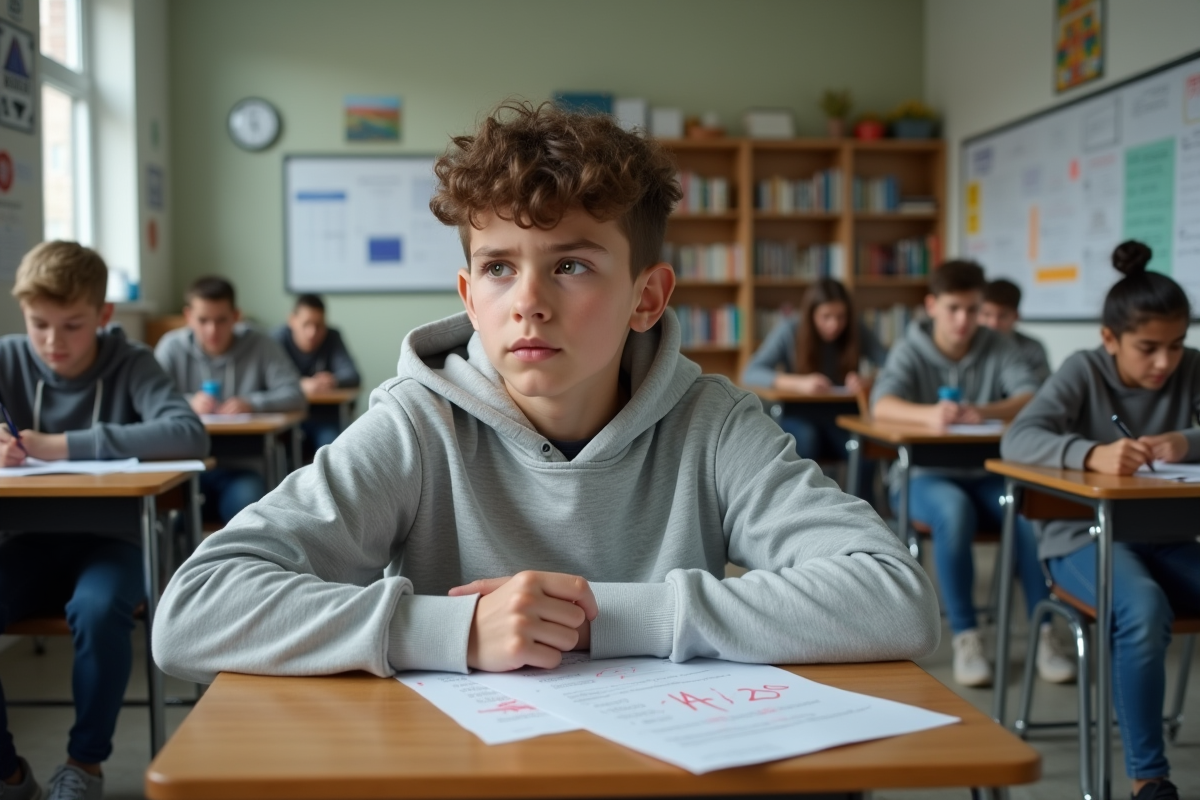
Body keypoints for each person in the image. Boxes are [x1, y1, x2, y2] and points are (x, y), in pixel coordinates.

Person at [152, 101, 939, 686]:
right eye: (499, 266)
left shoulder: (713, 425)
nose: (527, 300)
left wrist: (603, 616)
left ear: (648, 296)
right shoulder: (416, 425)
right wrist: (454, 629)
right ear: (468, 294)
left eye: (571, 264)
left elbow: (896, 597)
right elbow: (195, 609)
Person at [0, 241, 208, 800]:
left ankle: (82, 766)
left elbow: (188, 433)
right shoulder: (8, 357)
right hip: (26, 541)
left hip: (113, 541)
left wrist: (59, 445)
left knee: (98, 609)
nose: (52, 342)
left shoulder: (131, 362)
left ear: (103, 315)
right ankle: (8, 774)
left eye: (72, 325)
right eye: (39, 324)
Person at [1001, 241, 1200, 800]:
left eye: (1177, 346)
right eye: (1148, 348)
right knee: (1141, 609)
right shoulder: (1082, 370)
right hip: (1080, 540)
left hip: (1167, 537)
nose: (1165, 362)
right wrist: (1091, 453)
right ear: (1109, 339)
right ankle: (1149, 780)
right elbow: (1018, 437)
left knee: (1148, 599)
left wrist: (1185, 440)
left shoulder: (1192, 370)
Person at [870, 259, 1075, 688]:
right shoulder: (910, 348)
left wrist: (980, 410)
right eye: (953, 309)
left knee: (1026, 511)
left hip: (985, 475)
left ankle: (1044, 633)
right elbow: (881, 405)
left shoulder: (997, 346)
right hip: (924, 477)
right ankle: (967, 635)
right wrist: (931, 416)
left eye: (972, 308)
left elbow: (1030, 395)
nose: (964, 320)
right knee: (953, 511)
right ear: (931, 306)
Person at [155, 276, 305, 524]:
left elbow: (295, 395)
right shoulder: (171, 347)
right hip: (184, 471)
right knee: (169, 514)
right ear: (188, 316)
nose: (212, 330)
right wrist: (187, 403)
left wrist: (253, 403)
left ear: (236, 316)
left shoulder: (261, 344)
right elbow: (148, 404)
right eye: (203, 320)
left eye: (221, 320)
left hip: (241, 470)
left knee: (248, 508)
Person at [741, 278, 887, 498]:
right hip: (799, 415)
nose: (834, 325)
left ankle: (862, 516)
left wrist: (869, 381)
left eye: (841, 317)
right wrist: (799, 383)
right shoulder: (790, 330)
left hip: (841, 417)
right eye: (826, 317)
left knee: (863, 448)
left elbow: (893, 366)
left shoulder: (856, 330)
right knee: (806, 440)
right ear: (811, 315)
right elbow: (751, 372)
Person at [272, 293, 361, 452]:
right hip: (285, 419)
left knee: (334, 446)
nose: (312, 332)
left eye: (319, 325)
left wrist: (332, 381)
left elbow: (352, 375)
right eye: (306, 324)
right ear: (292, 320)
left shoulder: (332, 336)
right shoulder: (276, 339)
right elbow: (265, 381)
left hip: (323, 417)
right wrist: (299, 385)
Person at [979, 278, 1051, 384]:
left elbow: (1042, 389)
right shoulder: (967, 346)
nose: (993, 323)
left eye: (1002, 316)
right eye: (986, 314)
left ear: (1016, 316)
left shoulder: (1033, 349)